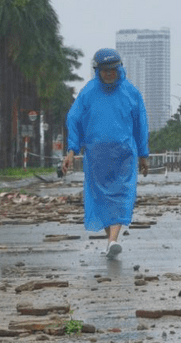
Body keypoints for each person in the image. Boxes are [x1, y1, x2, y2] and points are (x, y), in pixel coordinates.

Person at [62, 48, 149, 260]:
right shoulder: (88, 93)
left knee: (121, 196)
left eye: (113, 69)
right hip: (96, 157)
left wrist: (144, 154)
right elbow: (73, 118)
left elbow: (141, 124)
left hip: (124, 155)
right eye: (104, 70)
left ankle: (113, 240)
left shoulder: (131, 92)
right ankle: (111, 242)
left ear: (119, 69)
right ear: (97, 71)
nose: (109, 74)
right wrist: (72, 150)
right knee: (100, 198)